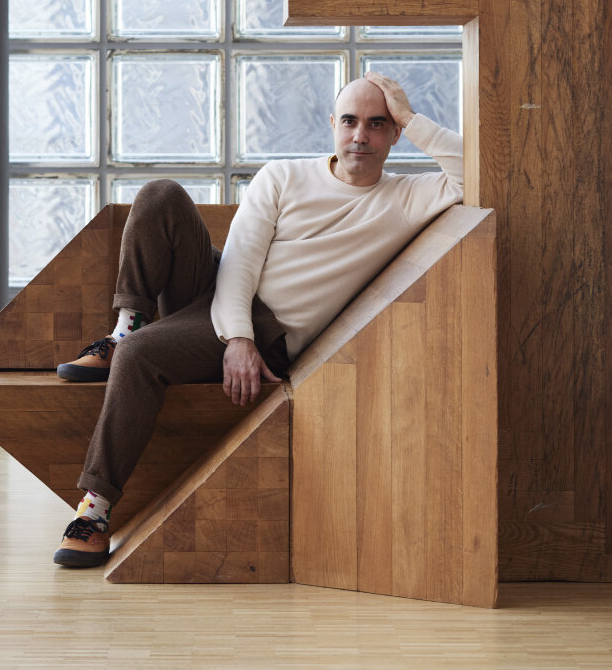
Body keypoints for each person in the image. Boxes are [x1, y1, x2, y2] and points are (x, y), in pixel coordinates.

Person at [53, 71, 463, 567]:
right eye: (350, 121)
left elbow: (472, 171)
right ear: (333, 124)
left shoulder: (408, 196)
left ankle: (94, 511)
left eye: (378, 124)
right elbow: (240, 262)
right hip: (225, 294)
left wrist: (412, 115)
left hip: (271, 329)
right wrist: (236, 338)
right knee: (160, 195)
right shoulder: (285, 176)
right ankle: (127, 327)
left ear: (395, 133)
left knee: (140, 360)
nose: (361, 136)